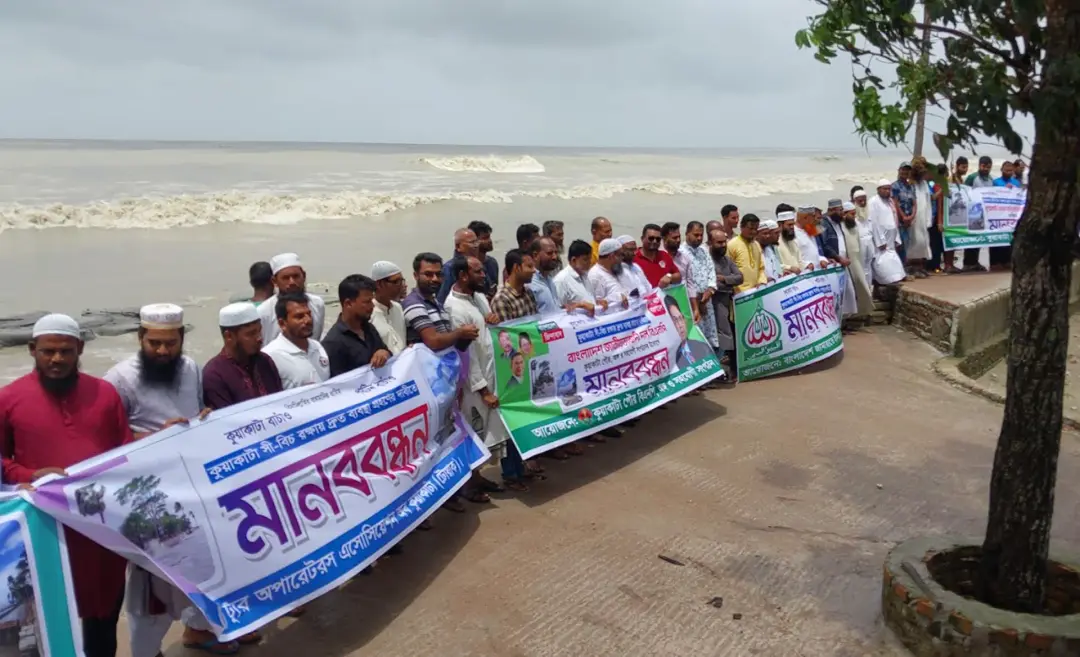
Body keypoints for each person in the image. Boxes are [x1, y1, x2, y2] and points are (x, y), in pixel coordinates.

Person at [104, 305, 233, 657]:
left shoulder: (190, 369)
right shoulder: (119, 379)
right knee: (151, 586)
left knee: (202, 564)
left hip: (190, 489)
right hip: (145, 496)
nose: (163, 351)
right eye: (155, 343)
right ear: (140, 338)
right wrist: (153, 437)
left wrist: (204, 419)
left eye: (171, 343)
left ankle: (199, 631)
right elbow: (106, 439)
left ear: (181, 340)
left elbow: (196, 412)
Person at [0, 314, 131, 657]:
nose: (56, 359)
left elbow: (125, 451)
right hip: (45, 528)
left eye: (65, 351)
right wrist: (30, 475)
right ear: (32, 349)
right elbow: (0, 463)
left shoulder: (104, 393)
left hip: (99, 526)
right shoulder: (8, 398)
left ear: (80, 349)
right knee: (51, 616)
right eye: (48, 351)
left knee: (103, 616)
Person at [444, 256, 524, 494]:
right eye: (478, 272)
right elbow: (467, 356)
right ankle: (469, 485)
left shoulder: (478, 297)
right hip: (473, 387)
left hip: (493, 374)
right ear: (463, 276)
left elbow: (489, 331)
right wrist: (483, 390)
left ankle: (481, 478)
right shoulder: (454, 308)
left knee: (492, 431)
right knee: (473, 431)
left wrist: (492, 320)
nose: (484, 276)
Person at [490, 249, 544, 486]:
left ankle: (525, 463)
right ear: (515, 268)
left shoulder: (528, 294)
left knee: (529, 415)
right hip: (511, 368)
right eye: (529, 266)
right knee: (512, 419)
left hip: (530, 362)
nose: (533, 271)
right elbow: (505, 339)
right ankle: (511, 472)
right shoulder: (502, 299)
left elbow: (536, 325)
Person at [203, 303, 283, 410]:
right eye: (251, 334)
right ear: (229, 336)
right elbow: (227, 416)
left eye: (259, 331)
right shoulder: (215, 374)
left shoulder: (265, 361)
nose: (259, 338)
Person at [323, 275, 392, 376]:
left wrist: (384, 353)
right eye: (367, 302)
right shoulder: (333, 343)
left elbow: (387, 353)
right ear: (348, 304)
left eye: (372, 301)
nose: (372, 306)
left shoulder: (369, 329)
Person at [262, 293, 330, 389]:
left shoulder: (317, 347)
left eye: (309, 314)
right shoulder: (270, 357)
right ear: (282, 323)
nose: (308, 320)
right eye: (299, 316)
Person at [258, 253, 327, 342]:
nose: (292, 282)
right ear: (274, 281)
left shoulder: (317, 304)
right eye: (286, 278)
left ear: (304, 276)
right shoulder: (263, 312)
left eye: (296, 276)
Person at [708, 229, 743, 379]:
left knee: (725, 336)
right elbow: (710, 283)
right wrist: (727, 282)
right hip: (711, 303)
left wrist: (724, 279)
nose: (723, 245)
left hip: (725, 302)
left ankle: (719, 371)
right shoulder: (707, 261)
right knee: (718, 337)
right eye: (719, 242)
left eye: (724, 242)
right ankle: (715, 372)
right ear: (710, 243)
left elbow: (740, 277)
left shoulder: (726, 260)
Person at [679, 221, 719, 350]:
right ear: (687, 234)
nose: (699, 238)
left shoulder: (704, 250)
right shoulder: (680, 253)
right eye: (696, 235)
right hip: (691, 303)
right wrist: (697, 299)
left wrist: (710, 289)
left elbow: (711, 271)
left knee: (710, 336)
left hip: (707, 299)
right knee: (695, 337)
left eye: (701, 235)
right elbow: (684, 280)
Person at [822, 201, 858, 319]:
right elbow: (825, 245)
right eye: (840, 210)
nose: (842, 213)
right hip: (834, 264)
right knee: (837, 296)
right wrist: (839, 258)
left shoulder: (838, 222)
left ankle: (844, 321)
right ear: (831, 210)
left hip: (842, 264)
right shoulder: (824, 223)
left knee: (848, 294)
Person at [868, 179, 907, 286]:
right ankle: (882, 282)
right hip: (881, 240)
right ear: (878, 189)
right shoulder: (873, 202)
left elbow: (894, 220)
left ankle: (894, 280)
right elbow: (873, 223)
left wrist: (896, 237)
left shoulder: (890, 202)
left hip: (891, 239)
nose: (887, 191)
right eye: (884, 189)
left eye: (889, 189)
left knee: (894, 264)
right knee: (883, 264)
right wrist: (880, 240)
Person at [840, 202, 874, 319]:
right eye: (852, 214)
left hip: (857, 260)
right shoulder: (840, 227)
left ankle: (862, 312)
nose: (854, 217)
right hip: (847, 261)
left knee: (862, 286)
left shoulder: (854, 226)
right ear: (844, 214)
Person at [554, 239, 606, 315]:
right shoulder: (561, 280)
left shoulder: (585, 275)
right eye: (586, 259)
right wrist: (579, 305)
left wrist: (598, 303)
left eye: (590, 258)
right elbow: (558, 311)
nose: (590, 262)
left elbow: (588, 300)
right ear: (574, 260)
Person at [664, 294, 712, 369]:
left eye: (680, 318)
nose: (680, 325)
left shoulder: (702, 347)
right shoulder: (665, 361)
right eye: (675, 321)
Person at [370, 261, 407, 356]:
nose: (402, 286)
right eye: (396, 282)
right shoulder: (369, 313)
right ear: (379, 284)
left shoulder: (398, 307)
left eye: (402, 281)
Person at [437, 228, 480, 305]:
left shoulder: (480, 264)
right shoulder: (450, 268)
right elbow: (443, 299)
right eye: (472, 242)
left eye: (476, 242)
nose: (476, 246)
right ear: (458, 247)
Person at [726, 214, 768, 292]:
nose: (754, 232)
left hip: (757, 291)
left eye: (756, 229)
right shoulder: (732, 245)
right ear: (742, 227)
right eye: (751, 228)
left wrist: (761, 281)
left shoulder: (756, 244)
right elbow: (727, 271)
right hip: (739, 294)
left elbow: (761, 267)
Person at [634, 224, 682, 289]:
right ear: (642, 239)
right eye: (651, 238)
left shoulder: (664, 255)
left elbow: (678, 276)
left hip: (664, 295)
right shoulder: (633, 258)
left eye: (658, 239)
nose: (654, 241)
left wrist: (669, 276)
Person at [589, 238, 631, 309]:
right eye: (621, 255)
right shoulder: (595, 275)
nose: (622, 258)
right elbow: (597, 305)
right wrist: (617, 297)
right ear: (611, 256)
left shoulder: (616, 270)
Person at [891, 161, 917, 266]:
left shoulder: (911, 186)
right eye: (903, 169)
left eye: (908, 170)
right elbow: (895, 203)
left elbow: (914, 203)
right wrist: (903, 217)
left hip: (909, 221)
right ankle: (900, 267)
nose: (905, 172)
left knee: (906, 244)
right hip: (899, 221)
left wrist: (912, 216)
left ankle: (904, 266)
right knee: (900, 245)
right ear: (899, 170)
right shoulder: (895, 186)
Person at [527, 237, 561, 314]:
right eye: (549, 253)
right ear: (535, 255)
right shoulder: (529, 283)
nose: (555, 257)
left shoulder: (549, 279)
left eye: (556, 252)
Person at [469, 220, 501, 297]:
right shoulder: (466, 266)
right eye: (485, 238)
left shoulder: (492, 263)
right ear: (474, 241)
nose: (489, 241)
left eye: (489, 237)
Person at [794, 206, 830, 271]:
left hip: (817, 271)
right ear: (805, 218)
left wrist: (822, 259)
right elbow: (793, 257)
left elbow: (815, 250)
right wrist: (806, 264)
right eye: (813, 216)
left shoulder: (809, 229)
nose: (815, 219)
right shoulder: (793, 233)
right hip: (805, 273)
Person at [775, 207, 804, 274]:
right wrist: (789, 267)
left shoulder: (793, 240)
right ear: (780, 225)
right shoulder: (775, 242)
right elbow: (775, 265)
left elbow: (800, 260)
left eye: (793, 224)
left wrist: (806, 265)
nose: (792, 227)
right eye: (789, 224)